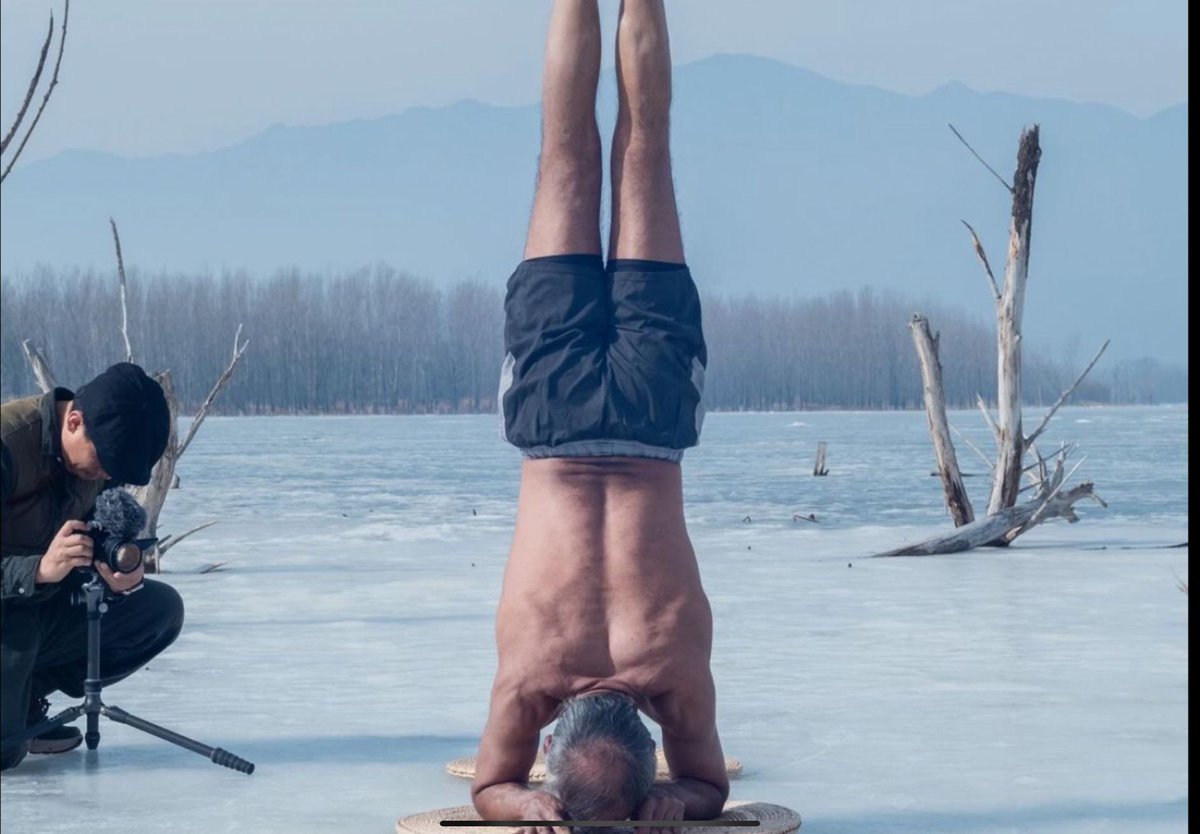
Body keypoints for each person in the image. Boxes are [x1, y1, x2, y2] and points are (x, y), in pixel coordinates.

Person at [472, 1, 728, 828]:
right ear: (552, 742)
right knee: (567, 149)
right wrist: (527, 803)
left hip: (653, 423)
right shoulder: (533, 676)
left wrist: (673, 800)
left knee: (643, 148)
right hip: (552, 423)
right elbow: (489, 789)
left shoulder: (673, 673)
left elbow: (707, 784)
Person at [1, 362, 185, 770]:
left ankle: (24, 694)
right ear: (74, 420)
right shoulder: (7, 444)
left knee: (158, 611)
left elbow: (103, 524)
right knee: (6, 751)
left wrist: (121, 568)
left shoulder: (99, 455)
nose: (104, 476)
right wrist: (37, 570)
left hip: (40, 605)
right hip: (9, 609)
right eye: (103, 464)